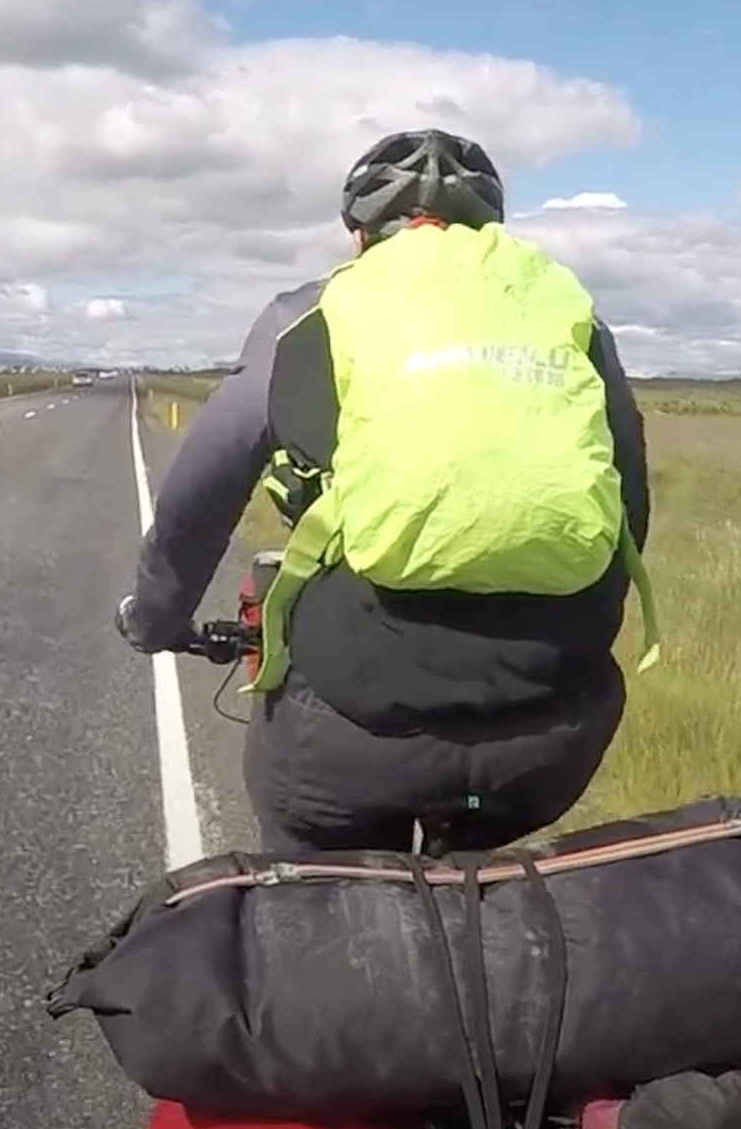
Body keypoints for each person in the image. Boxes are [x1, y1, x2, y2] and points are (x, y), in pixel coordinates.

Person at [115, 127, 654, 857]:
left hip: (348, 736)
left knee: (309, 883)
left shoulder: (309, 312)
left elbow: (200, 496)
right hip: (551, 737)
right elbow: (629, 509)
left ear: (361, 233)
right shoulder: (569, 314)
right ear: (485, 228)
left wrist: (156, 620)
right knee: (483, 898)